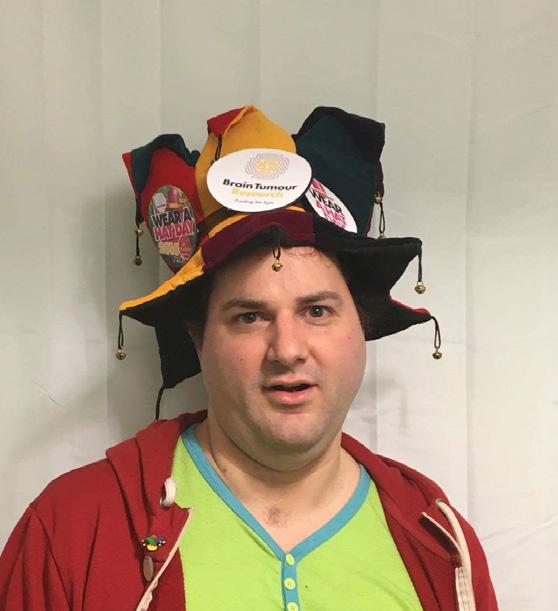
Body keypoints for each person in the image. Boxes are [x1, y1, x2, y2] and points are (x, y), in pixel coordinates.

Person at [0, 105, 498, 610]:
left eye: (317, 311)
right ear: (198, 340)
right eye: (249, 317)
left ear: (361, 327)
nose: (287, 350)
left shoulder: (440, 542)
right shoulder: (70, 529)